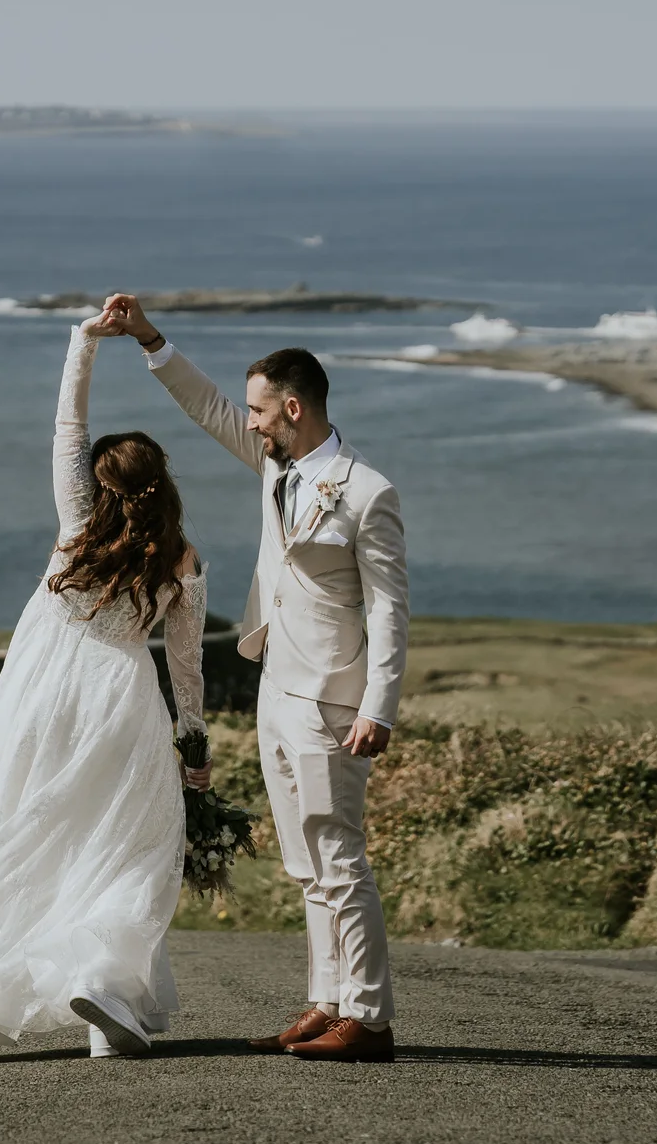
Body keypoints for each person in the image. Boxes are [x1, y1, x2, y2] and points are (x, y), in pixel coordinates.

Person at [0, 317, 209, 1059]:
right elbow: (187, 665)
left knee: (32, 840)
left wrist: (84, 339)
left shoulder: (75, 524)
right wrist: (196, 749)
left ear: (99, 481)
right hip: (124, 701)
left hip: (43, 701)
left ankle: (40, 982)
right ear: (163, 483)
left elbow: (67, 421)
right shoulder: (181, 558)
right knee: (124, 851)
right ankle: (101, 991)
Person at [96, 293, 408, 1064]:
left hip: (333, 694)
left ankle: (369, 1017)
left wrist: (381, 705)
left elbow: (392, 607)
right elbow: (206, 406)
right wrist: (149, 339)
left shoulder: (368, 492)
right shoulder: (276, 462)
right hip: (277, 683)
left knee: (339, 857)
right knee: (305, 863)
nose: (253, 421)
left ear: (292, 406)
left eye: (261, 410)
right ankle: (326, 1001)